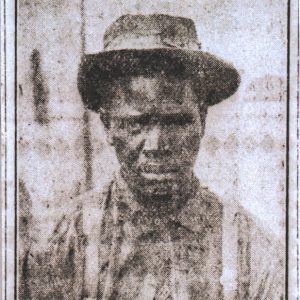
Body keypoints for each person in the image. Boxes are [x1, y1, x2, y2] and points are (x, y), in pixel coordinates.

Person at [21, 14, 284, 299]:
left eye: (176, 122)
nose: (157, 144)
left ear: (202, 121)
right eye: (137, 123)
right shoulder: (65, 244)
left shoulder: (250, 251)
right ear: (108, 125)